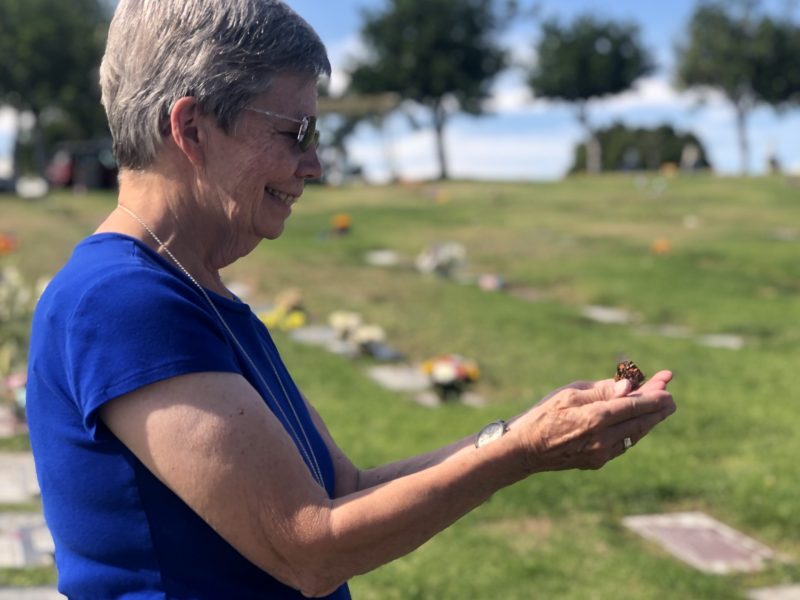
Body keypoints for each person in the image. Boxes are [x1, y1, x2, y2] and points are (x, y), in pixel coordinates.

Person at [25, 1, 677, 598]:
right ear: (192, 129)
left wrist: (523, 431)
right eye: (296, 132)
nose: (315, 165)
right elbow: (305, 547)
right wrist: (521, 452)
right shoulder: (120, 302)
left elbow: (346, 490)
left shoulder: (192, 290)